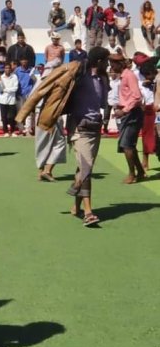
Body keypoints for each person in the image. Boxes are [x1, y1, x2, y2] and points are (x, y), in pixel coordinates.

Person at [65, 47, 110, 226]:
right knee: (86, 168)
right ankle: (88, 212)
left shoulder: (103, 79)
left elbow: (103, 103)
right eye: (106, 60)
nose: (108, 64)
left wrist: (105, 120)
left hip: (95, 127)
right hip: (79, 127)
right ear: (98, 62)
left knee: (84, 167)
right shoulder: (80, 77)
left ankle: (76, 204)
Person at [111, 52, 145, 183]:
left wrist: (124, 110)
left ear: (119, 64)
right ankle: (140, 172)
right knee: (129, 145)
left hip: (132, 114)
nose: (111, 67)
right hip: (128, 113)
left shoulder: (129, 76)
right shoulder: (123, 76)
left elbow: (137, 96)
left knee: (126, 145)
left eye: (113, 64)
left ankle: (132, 174)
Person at [34, 61, 67, 181]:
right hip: (51, 113)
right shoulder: (55, 82)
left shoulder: (40, 81)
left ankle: (41, 171)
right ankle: (47, 170)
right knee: (59, 142)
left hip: (41, 114)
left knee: (43, 143)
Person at [15, 58, 36, 135]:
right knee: (20, 112)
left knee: (30, 113)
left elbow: (35, 81)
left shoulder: (31, 70)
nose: (24, 61)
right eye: (22, 60)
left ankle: (29, 129)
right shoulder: (17, 70)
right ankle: (21, 129)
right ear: (20, 61)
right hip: (20, 94)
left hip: (30, 94)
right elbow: (14, 80)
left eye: (25, 60)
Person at [0, 62, 19, 136]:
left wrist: (6, 90)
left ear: (11, 69)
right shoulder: (1, 77)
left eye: (9, 68)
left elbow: (15, 88)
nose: (7, 69)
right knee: (4, 117)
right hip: (2, 100)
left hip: (11, 100)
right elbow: (0, 90)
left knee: (12, 117)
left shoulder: (14, 77)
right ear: (4, 69)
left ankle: (12, 131)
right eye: (6, 68)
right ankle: (5, 131)